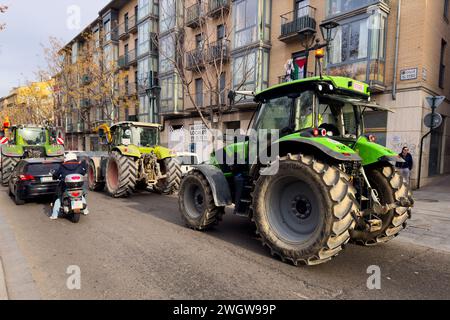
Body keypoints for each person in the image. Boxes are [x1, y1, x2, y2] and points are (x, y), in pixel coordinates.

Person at [50, 153, 88, 220]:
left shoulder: (62, 166)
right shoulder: (79, 165)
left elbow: (57, 174)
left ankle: (54, 215)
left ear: (67, 158)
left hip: (65, 186)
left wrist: (55, 176)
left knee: (59, 198)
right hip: (78, 186)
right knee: (81, 195)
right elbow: (83, 173)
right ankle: (85, 210)